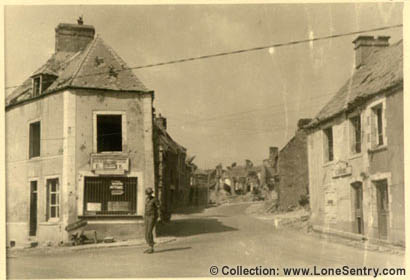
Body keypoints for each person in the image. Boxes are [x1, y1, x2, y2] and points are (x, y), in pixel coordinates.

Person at [144, 187, 159, 254]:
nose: (148, 195)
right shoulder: (146, 199)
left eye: (149, 193)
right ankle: (149, 246)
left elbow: (159, 207)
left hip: (152, 217)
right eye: (147, 193)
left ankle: (151, 247)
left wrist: (156, 217)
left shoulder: (155, 199)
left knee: (149, 231)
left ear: (151, 193)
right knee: (146, 233)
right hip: (146, 216)